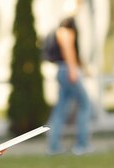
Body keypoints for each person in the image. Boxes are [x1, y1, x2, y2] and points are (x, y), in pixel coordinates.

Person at [46, 6, 93, 156]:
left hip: (63, 70)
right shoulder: (66, 23)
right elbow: (67, 45)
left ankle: (54, 147)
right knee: (85, 105)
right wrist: (74, 70)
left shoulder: (65, 21)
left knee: (61, 109)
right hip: (69, 70)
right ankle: (82, 145)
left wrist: (83, 67)